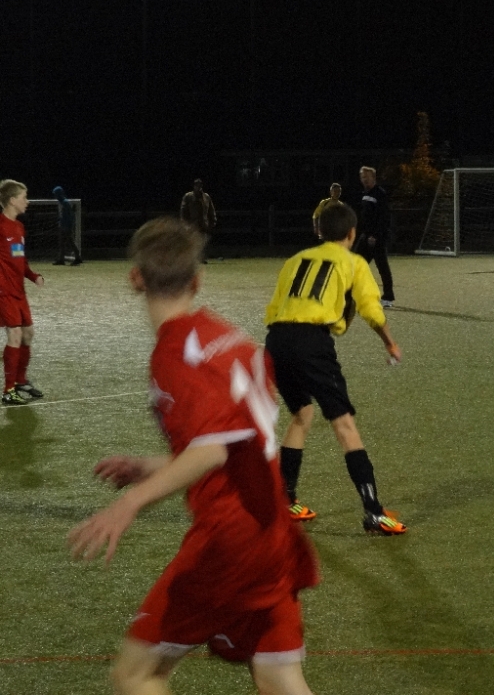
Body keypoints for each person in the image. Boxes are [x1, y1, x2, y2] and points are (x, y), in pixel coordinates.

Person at [67, 217, 319, 695]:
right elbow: (236, 443)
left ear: (135, 278)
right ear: (197, 280)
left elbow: (213, 450)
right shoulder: (228, 337)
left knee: (136, 674)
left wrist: (130, 502)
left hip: (229, 541)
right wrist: (149, 466)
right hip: (272, 531)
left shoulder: (176, 352)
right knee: (278, 677)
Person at [265, 200, 406, 534]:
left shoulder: (295, 260)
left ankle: (284, 500)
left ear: (319, 231)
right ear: (352, 233)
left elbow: (278, 305)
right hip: (311, 342)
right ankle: (374, 512)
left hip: (276, 340)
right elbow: (371, 309)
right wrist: (389, 342)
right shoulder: (354, 262)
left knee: (302, 414)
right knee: (344, 424)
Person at [0, 179, 45, 405]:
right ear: (12, 200)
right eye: (23, 197)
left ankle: (20, 381)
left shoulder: (18, 227)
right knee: (15, 335)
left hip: (19, 292)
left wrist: (33, 276)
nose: (27, 201)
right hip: (3, 292)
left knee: (28, 334)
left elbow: (20, 259)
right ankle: (8, 391)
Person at [355, 166, 394, 308]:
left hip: (377, 237)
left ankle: (388, 297)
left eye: (367, 177)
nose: (364, 179)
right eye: (362, 177)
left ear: (373, 177)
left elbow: (384, 218)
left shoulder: (380, 194)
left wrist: (375, 235)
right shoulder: (365, 193)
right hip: (365, 236)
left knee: (382, 267)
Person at [179, 179, 216, 262]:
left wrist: (213, 220)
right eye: (197, 185)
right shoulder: (188, 196)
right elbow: (183, 210)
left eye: (200, 185)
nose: (198, 187)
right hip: (192, 223)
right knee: (192, 241)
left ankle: (202, 258)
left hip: (203, 223)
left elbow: (211, 210)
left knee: (203, 241)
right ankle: (191, 259)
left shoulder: (206, 197)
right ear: (194, 186)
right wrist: (185, 223)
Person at [51, 186, 83, 265]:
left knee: (70, 241)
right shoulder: (63, 202)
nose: (55, 196)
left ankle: (78, 257)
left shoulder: (65, 202)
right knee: (62, 243)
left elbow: (70, 215)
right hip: (63, 225)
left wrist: (68, 226)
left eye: (56, 194)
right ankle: (61, 259)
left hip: (66, 226)